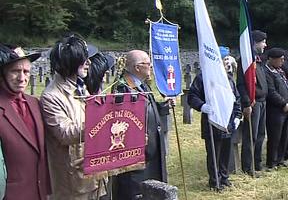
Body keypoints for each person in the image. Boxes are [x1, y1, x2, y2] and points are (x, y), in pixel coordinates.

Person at [41, 35, 107, 200]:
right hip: (73, 179)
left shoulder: (80, 87)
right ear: (69, 63)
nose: (89, 63)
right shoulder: (51, 96)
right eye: (83, 60)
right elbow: (64, 134)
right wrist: (102, 122)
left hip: (94, 170)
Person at [112, 50, 171, 199]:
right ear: (137, 67)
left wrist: (163, 106)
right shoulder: (123, 88)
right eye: (148, 64)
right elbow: (123, 119)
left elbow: (148, 109)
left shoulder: (142, 85)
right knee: (134, 190)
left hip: (150, 150)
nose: (151, 66)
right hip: (135, 155)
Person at [0, 44, 51, 200]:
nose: (22, 78)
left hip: (40, 193)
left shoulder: (35, 103)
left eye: (26, 71)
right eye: (15, 71)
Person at [188, 47, 242, 190]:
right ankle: (214, 181)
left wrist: (237, 116)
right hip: (212, 122)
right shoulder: (203, 78)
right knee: (213, 153)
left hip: (228, 122)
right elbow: (192, 97)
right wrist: (202, 106)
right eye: (224, 59)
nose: (227, 63)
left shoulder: (229, 78)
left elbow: (236, 99)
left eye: (227, 59)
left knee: (226, 152)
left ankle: (224, 178)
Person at [237, 30, 268, 176]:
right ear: (255, 42)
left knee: (261, 134)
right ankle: (248, 167)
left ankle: (257, 163)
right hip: (253, 103)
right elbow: (242, 84)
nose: (265, 45)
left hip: (262, 102)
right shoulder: (246, 60)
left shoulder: (258, 59)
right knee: (251, 135)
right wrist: (246, 103)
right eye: (263, 42)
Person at [264, 48, 288, 170]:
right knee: (275, 136)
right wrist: (283, 103)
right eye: (280, 59)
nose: (283, 61)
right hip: (275, 110)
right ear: (272, 59)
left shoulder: (280, 71)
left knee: (284, 135)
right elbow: (271, 92)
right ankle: (272, 161)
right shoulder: (268, 72)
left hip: (287, 109)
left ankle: (280, 159)